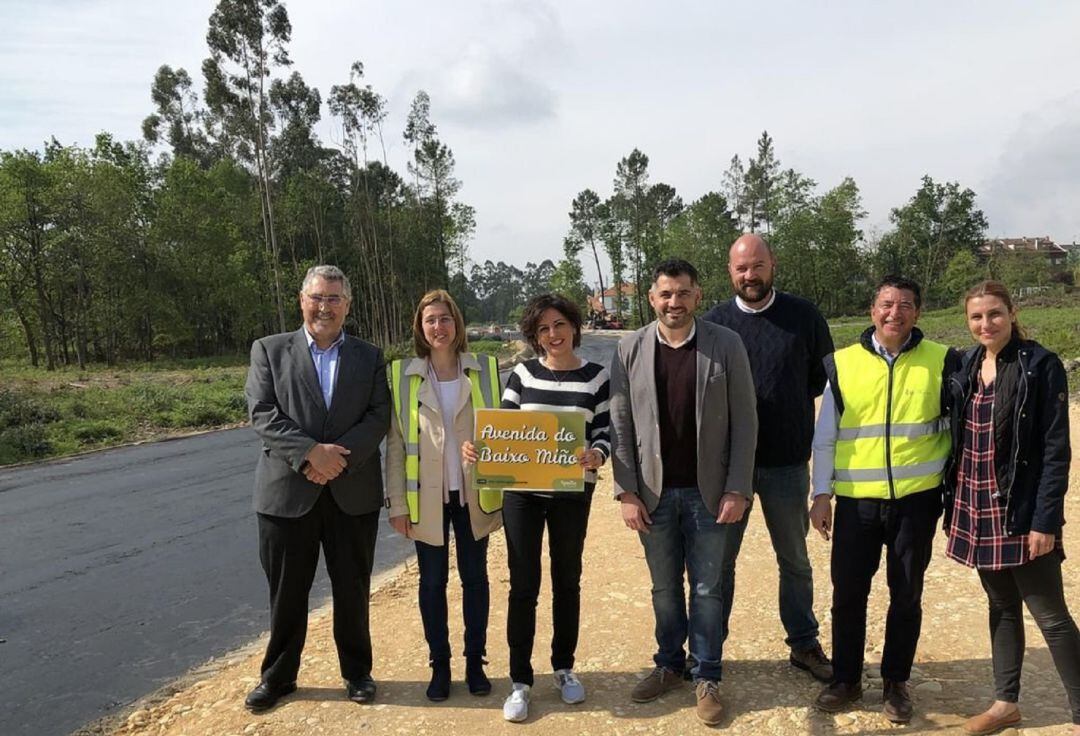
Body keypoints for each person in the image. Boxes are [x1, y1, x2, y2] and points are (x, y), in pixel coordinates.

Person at [610, 258, 757, 726]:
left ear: (697, 296)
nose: (675, 302)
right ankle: (670, 663)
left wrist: (737, 487)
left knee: (709, 587)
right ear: (652, 299)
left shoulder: (726, 344)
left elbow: (745, 422)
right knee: (664, 588)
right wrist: (626, 492)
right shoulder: (629, 348)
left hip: (709, 493)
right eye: (666, 294)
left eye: (683, 293)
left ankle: (707, 674)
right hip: (653, 494)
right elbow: (619, 424)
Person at [243, 265, 390, 712]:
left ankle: (357, 673)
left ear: (347, 306)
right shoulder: (269, 350)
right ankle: (279, 677)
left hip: (352, 492)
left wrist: (335, 458)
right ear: (301, 300)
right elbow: (262, 411)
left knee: (352, 589)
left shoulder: (369, 356)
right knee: (286, 593)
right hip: (287, 495)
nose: (324, 307)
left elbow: (379, 414)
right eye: (317, 298)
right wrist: (310, 454)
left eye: (334, 299)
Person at [810, 275, 956, 724]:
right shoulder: (842, 363)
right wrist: (820, 494)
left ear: (918, 312)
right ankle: (846, 679)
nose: (896, 313)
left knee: (906, 594)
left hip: (917, 502)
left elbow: (961, 429)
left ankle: (896, 682)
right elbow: (826, 437)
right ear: (873, 309)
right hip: (857, 503)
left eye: (906, 305)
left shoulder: (945, 361)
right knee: (847, 595)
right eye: (887, 304)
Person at [463, 293, 610, 723]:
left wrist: (597, 455)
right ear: (534, 335)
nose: (553, 334)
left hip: (571, 493)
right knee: (523, 584)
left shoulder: (597, 377)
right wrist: (480, 447)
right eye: (544, 329)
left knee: (568, 580)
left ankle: (564, 667)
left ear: (574, 326)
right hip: (522, 496)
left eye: (560, 325)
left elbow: (605, 432)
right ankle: (520, 681)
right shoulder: (522, 375)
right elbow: (506, 430)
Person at [942, 280, 1079, 736]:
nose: (987, 324)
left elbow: (1055, 450)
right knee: (1001, 606)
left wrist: (1045, 520)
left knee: (1052, 617)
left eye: (995, 314)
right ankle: (1005, 704)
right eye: (977, 316)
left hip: (1019, 510)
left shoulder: (1040, 365)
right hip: (976, 504)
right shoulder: (964, 364)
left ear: (1012, 313)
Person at [703, 233, 834, 682]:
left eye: (757, 265)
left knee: (794, 559)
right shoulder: (714, 324)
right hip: (726, 468)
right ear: (730, 271)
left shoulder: (804, 316)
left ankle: (803, 643)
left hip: (786, 462)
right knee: (719, 563)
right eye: (741, 268)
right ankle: (708, 649)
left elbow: (821, 380)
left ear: (772, 264)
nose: (750, 275)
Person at [385, 290, 503, 702]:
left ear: (458, 324)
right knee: (432, 583)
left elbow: (503, 432)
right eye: (430, 320)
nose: (439, 327)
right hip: (426, 500)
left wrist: (484, 451)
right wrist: (397, 505)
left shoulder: (485, 369)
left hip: (473, 495)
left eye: (446, 319)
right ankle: (440, 664)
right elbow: (396, 447)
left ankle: (475, 662)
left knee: (476, 580)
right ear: (420, 327)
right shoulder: (402, 375)